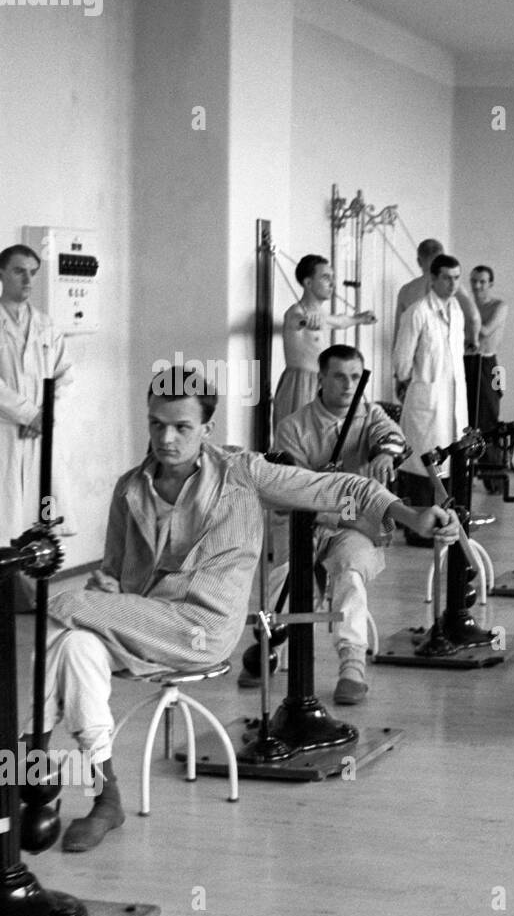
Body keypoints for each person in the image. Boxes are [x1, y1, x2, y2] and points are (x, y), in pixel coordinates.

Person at [22, 375, 457, 853]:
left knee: (58, 605)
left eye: (182, 427)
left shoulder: (242, 473)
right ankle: (106, 799)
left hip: (202, 629)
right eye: (156, 425)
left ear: (207, 428)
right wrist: (100, 603)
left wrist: (411, 513)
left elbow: (337, 487)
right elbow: (110, 574)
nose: (167, 439)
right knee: (73, 643)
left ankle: (30, 759)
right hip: (143, 620)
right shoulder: (131, 488)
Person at [267, 345, 409, 704]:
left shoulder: (370, 414)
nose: (348, 385)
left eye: (355, 377)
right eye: (339, 377)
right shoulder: (293, 427)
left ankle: (352, 664)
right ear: (321, 379)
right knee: (283, 577)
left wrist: (383, 453)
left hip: (354, 525)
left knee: (350, 574)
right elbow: (289, 489)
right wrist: (323, 489)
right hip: (303, 523)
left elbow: (394, 439)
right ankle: (271, 647)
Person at [0, 245, 76, 606]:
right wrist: (29, 413)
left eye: (33, 271)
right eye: (19, 271)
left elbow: (64, 374)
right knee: (5, 510)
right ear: (1, 274)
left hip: (39, 434)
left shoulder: (46, 325)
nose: (28, 279)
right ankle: (8, 589)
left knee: (39, 507)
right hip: (5, 432)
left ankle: (30, 586)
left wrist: (43, 415)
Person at [393, 254, 468, 514]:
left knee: (450, 459)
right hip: (426, 399)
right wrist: (416, 380)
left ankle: (446, 518)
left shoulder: (457, 311)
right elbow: (401, 363)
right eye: (447, 278)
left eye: (457, 278)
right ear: (433, 279)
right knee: (422, 463)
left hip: (454, 401)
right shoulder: (417, 312)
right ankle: (419, 525)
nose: (452, 284)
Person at [274, 255, 376, 427]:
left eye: (332, 278)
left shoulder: (323, 315)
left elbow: (339, 321)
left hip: (321, 382)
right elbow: (299, 320)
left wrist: (359, 318)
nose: (332, 283)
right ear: (308, 283)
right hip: (300, 384)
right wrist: (307, 321)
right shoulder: (295, 312)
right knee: (296, 437)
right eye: (325, 277)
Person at [394, 237, 481, 356]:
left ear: (419, 261)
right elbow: (474, 317)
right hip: (444, 357)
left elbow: (398, 336)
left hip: (416, 357)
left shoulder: (406, 291)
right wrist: (473, 341)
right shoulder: (453, 286)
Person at [467, 265, 510, 483]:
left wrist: (469, 321)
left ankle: (493, 474)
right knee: (465, 415)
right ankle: (464, 471)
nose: (477, 285)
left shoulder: (498, 306)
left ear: (490, 284)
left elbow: (484, 331)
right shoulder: (464, 305)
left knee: (489, 414)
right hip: (466, 361)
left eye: (482, 281)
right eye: (474, 281)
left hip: (489, 363)